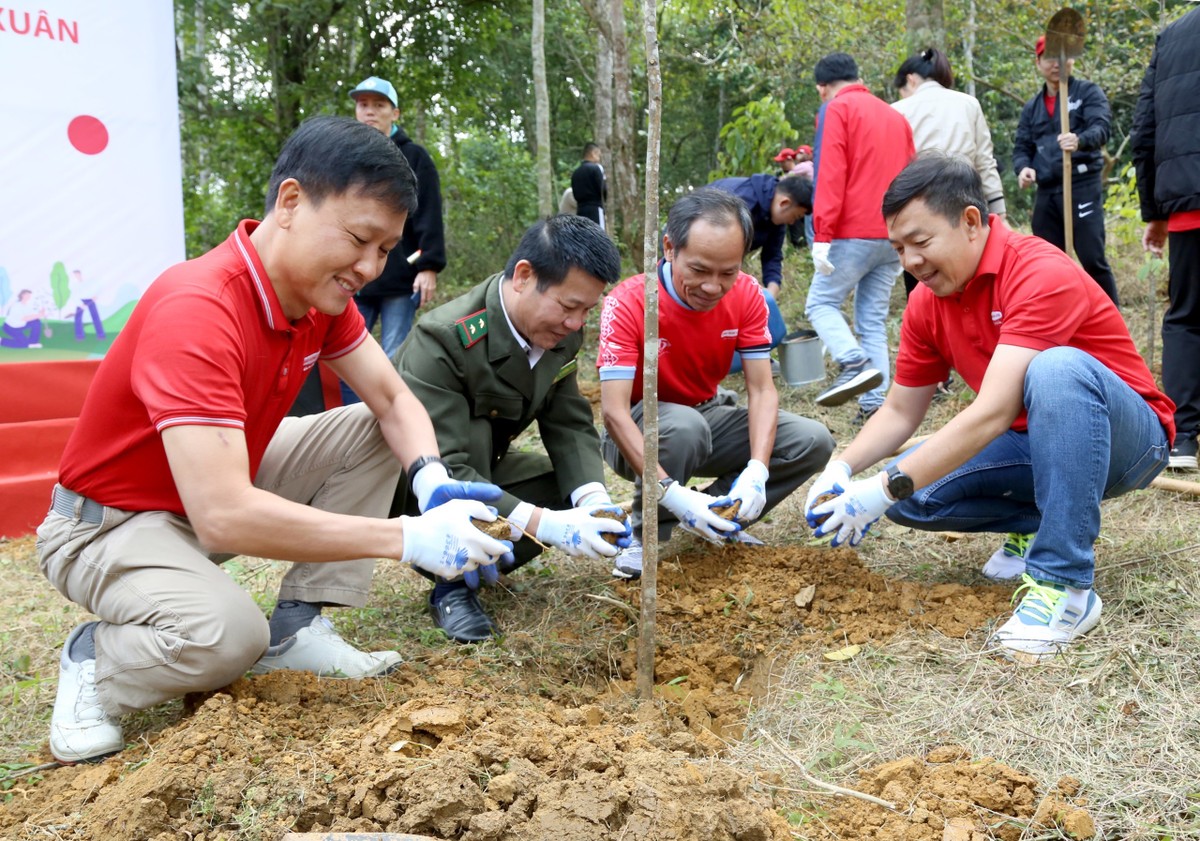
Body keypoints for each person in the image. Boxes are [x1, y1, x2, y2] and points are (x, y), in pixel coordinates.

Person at [37, 116, 514, 765]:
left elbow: (394, 398)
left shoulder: (320, 300)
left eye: (386, 250)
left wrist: (431, 483)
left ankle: (297, 626)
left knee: (377, 430)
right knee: (227, 638)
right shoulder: (198, 308)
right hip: (109, 522)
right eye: (359, 239)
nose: (370, 269)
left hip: (209, 485)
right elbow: (224, 511)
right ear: (290, 202)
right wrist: (408, 538)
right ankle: (97, 660)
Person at [804, 154, 1173, 662]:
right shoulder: (926, 303)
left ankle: (1064, 586)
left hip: (1127, 441)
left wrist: (881, 487)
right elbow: (900, 412)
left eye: (921, 241)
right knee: (913, 495)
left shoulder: (1038, 270)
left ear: (971, 222)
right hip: (1033, 442)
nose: (910, 260)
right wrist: (842, 468)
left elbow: (996, 409)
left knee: (1056, 369)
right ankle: (1035, 526)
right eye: (898, 248)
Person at [394, 215, 633, 642]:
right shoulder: (444, 340)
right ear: (524, 276)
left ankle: (485, 556)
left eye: (586, 310)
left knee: (558, 481)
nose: (576, 323)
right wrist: (548, 525)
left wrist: (593, 500)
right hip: (418, 489)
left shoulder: (560, 334)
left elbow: (568, 420)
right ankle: (451, 586)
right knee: (476, 433)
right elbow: (446, 469)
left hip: (485, 472)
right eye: (567, 305)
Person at [598, 188, 834, 551]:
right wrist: (671, 493)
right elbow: (613, 413)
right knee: (683, 428)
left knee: (812, 441)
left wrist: (757, 469)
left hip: (707, 414)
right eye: (698, 270)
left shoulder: (748, 296)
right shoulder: (628, 302)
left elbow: (761, 389)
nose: (712, 286)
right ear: (669, 248)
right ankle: (648, 537)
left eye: (728, 272)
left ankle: (721, 514)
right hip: (638, 426)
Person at [806, 52, 915, 422]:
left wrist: (822, 234)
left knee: (820, 304)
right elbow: (912, 176)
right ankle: (875, 407)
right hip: (893, 232)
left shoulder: (837, 110)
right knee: (871, 319)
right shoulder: (895, 116)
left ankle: (853, 362)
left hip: (853, 230)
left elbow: (830, 172)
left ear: (823, 87)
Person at [1132, 4, 1200, 471]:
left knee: (1188, 316)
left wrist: (1154, 212)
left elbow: (1145, 130)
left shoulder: (1172, 36)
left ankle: (1184, 440)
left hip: (1187, 202)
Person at [347, 75, 446, 365]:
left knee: (393, 356)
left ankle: (390, 412)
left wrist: (428, 266)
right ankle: (351, 412)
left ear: (395, 113)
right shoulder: (347, 157)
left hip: (400, 275)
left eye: (379, 105)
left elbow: (429, 211)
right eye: (363, 104)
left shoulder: (414, 157)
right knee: (347, 357)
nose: (370, 111)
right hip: (353, 273)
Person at [1013, 36, 1119, 306]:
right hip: (1047, 190)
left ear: (1071, 60)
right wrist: (1024, 168)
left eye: (1062, 57)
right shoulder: (1032, 108)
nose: (1056, 64)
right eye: (1049, 57)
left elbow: (1101, 128)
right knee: (1048, 261)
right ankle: (1060, 319)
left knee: (1091, 256)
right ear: (1038, 63)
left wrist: (1079, 139)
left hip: (1081, 183)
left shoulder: (1087, 92)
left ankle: (1110, 320)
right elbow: (1022, 147)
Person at [892, 47, 1005, 298]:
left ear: (910, 79)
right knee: (981, 286)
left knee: (926, 289)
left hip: (918, 210)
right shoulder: (969, 103)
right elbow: (986, 162)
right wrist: (999, 210)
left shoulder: (897, 109)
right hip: (968, 206)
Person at [706, 173, 813, 370]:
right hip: (697, 251)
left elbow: (772, 256)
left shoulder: (775, 219)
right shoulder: (740, 202)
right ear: (784, 202)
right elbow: (718, 247)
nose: (792, 223)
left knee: (745, 301)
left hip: (726, 259)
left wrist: (771, 291)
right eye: (795, 216)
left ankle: (752, 354)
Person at [571, 143, 607, 229]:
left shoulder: (576, 172)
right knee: (599, 237)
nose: (599, 158)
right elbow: (603, 190)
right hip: (595, 209)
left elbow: (575, 193)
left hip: (580, 211)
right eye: (598, 154)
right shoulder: (596, 168)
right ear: (593, 153)